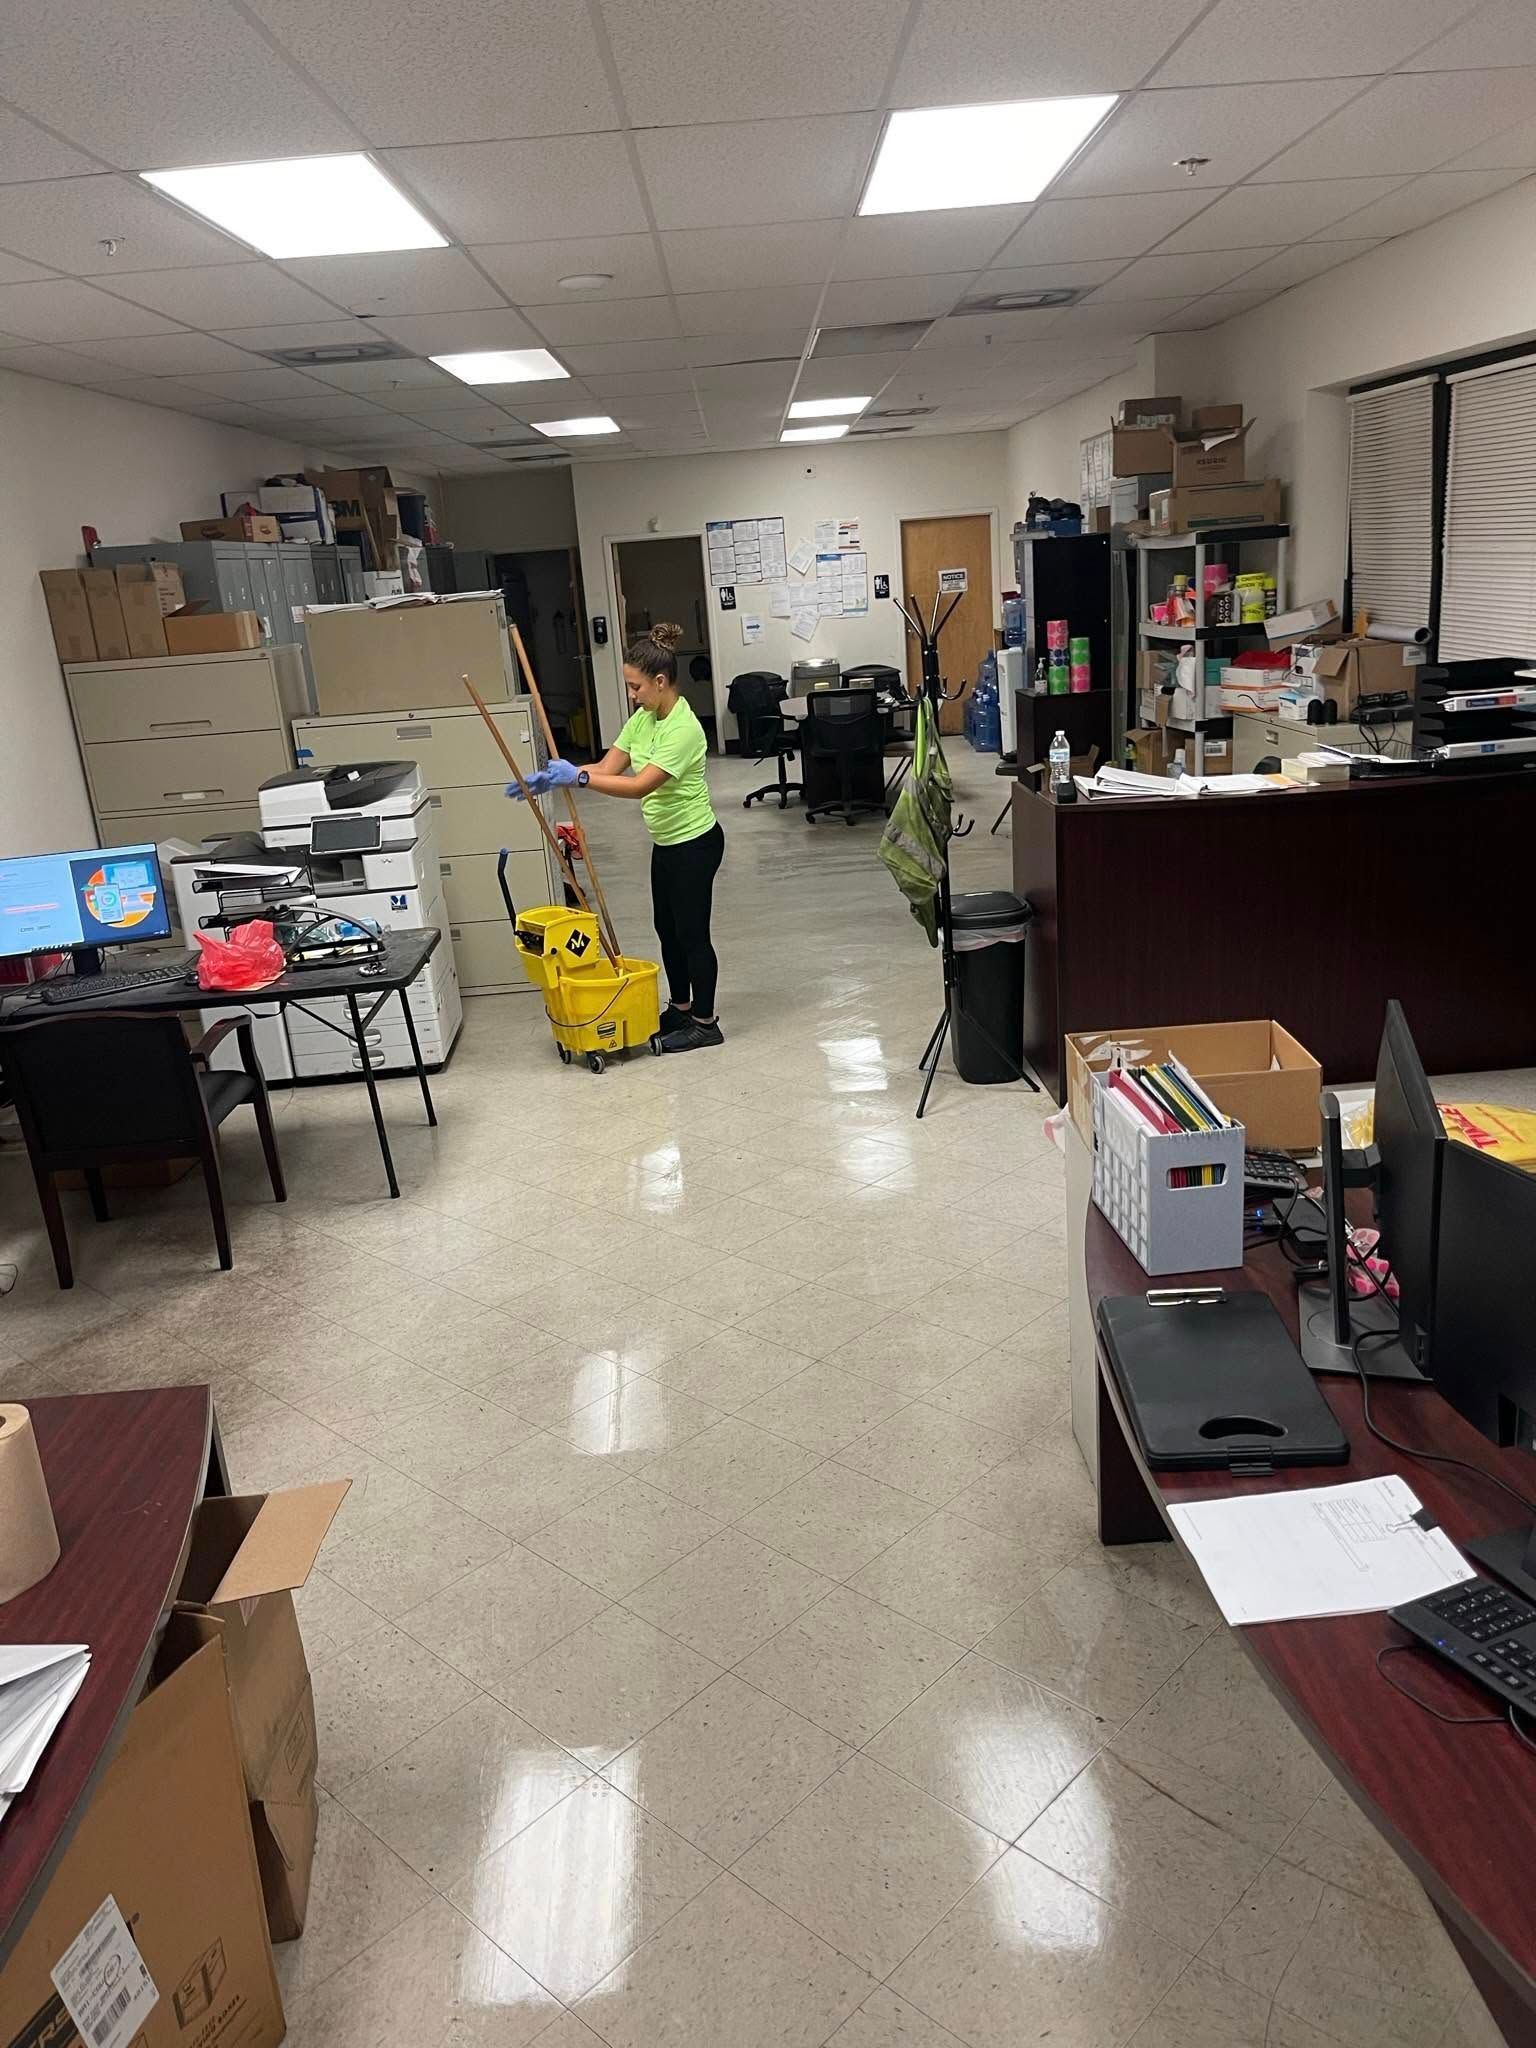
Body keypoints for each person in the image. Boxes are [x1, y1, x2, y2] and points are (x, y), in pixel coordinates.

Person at [508, 621, 725, 1053]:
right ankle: (680, 1008)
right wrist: (559, 777)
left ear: (660, 682)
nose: (632, 695)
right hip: (666, 843)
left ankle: (705, 1023)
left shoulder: (683, 729)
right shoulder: (643, 720)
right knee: (666, 928)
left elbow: (641, 784)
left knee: (691, 933)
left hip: (694, 843)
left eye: (635, 686)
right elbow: (609, 768)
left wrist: (580, 778)